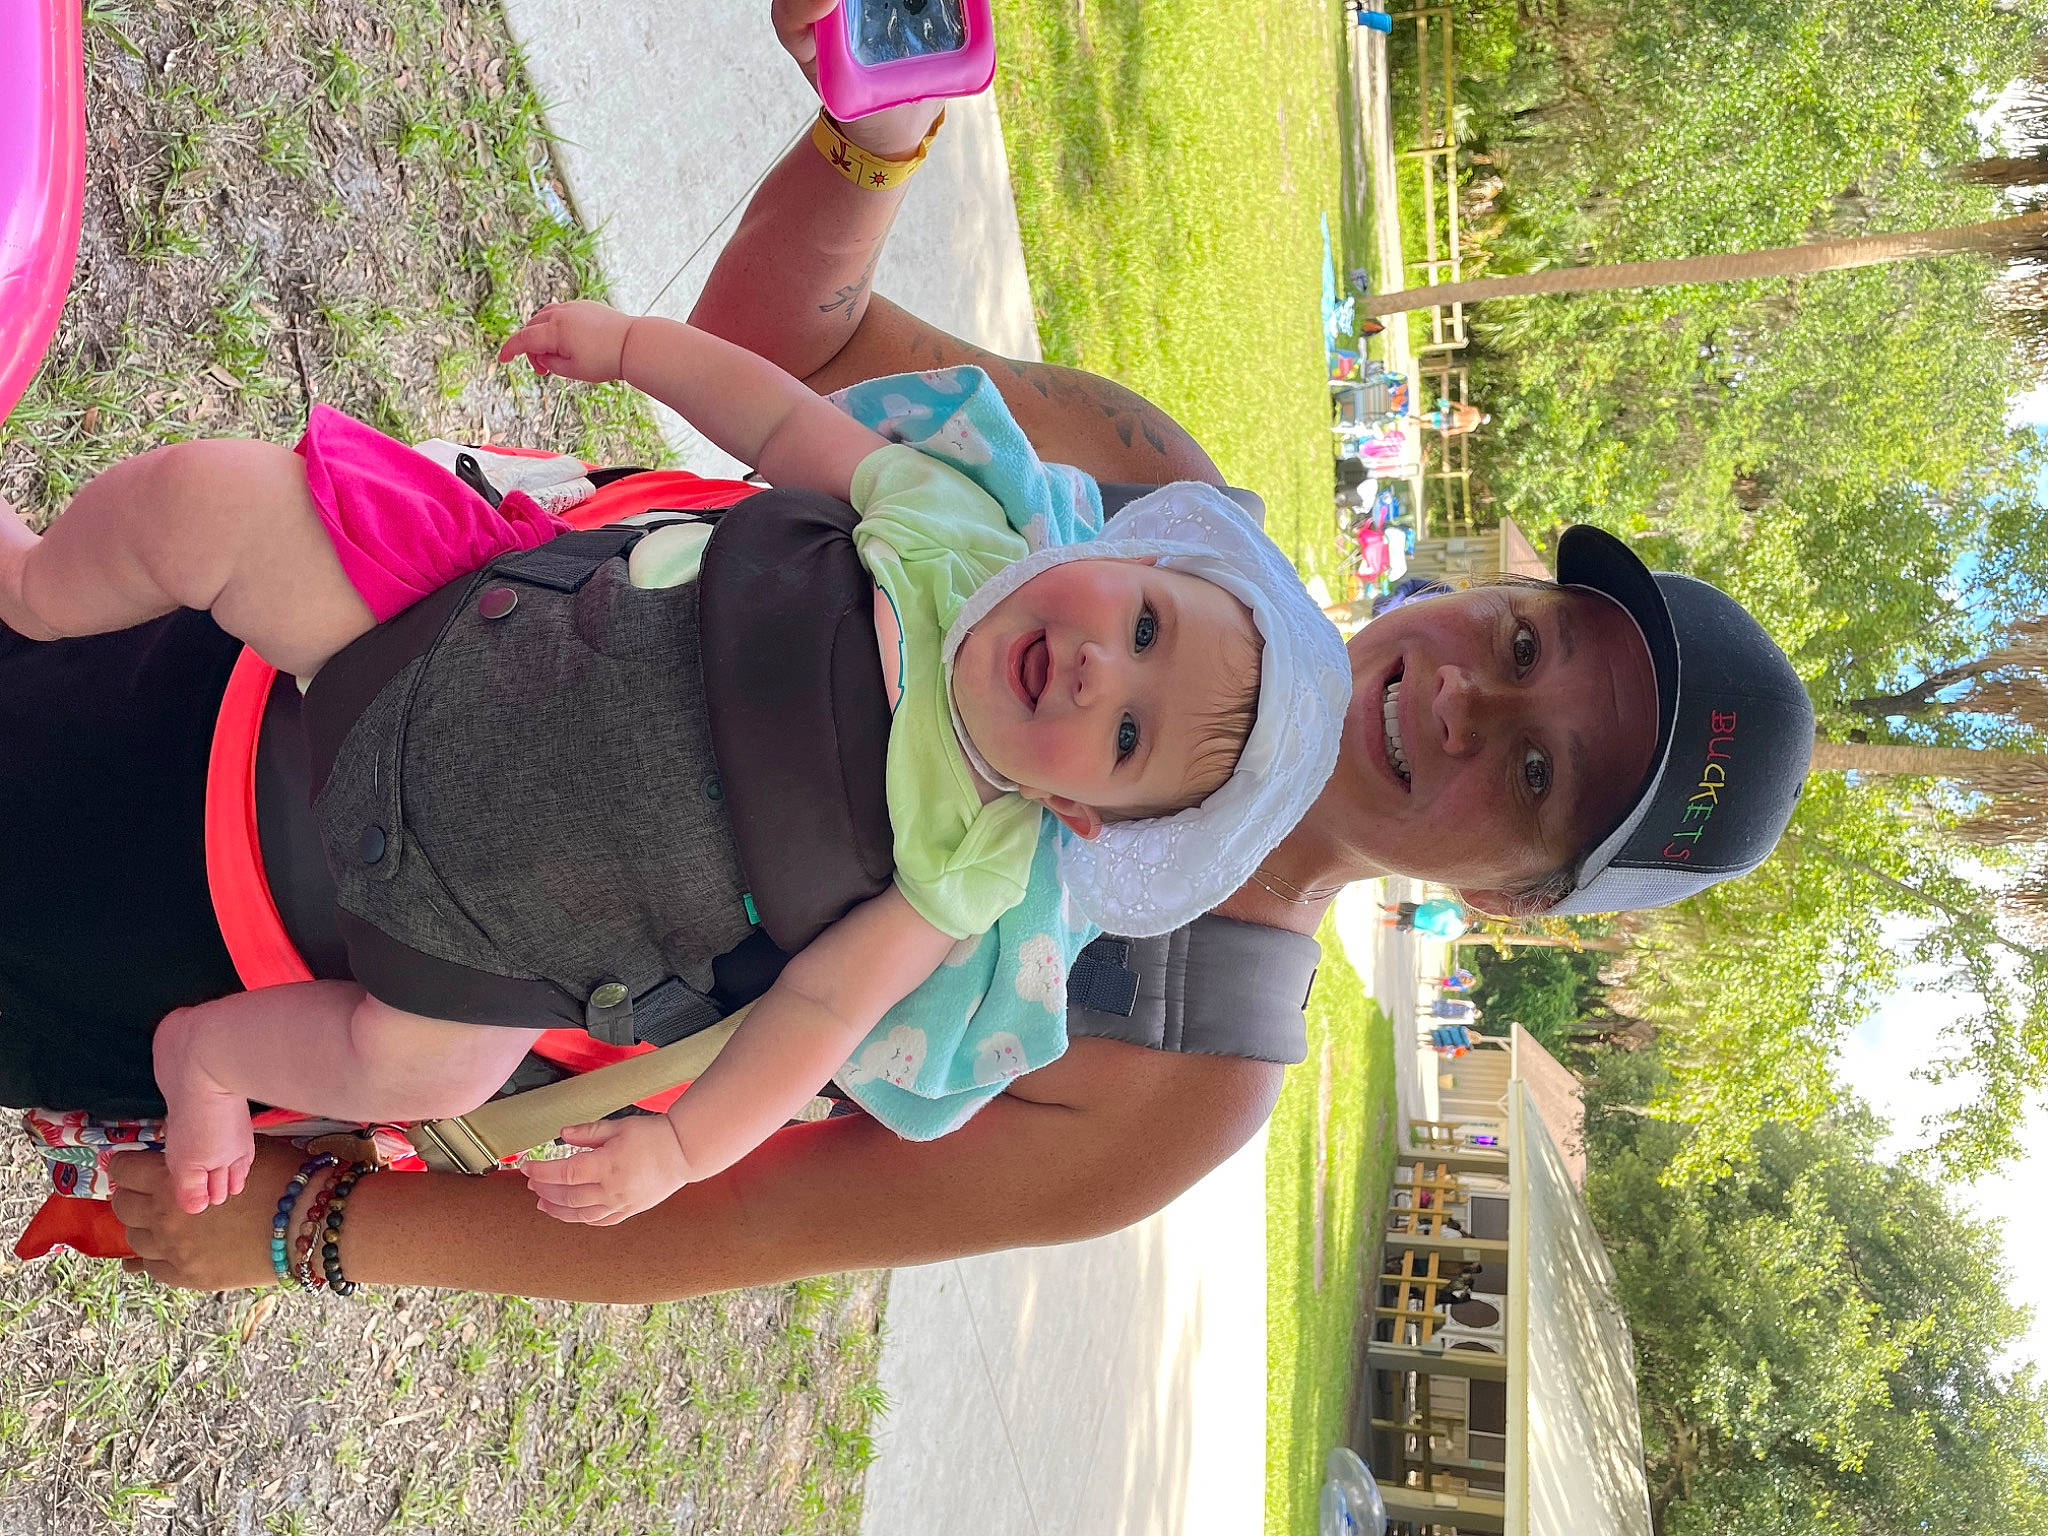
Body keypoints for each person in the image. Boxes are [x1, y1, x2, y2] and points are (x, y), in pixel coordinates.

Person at [86, 0, 1817, 1296]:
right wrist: (878, 130)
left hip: (309, 971)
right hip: (350, 641)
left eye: (1536, 770)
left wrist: (298, 1231)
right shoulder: (1144, 502)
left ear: (1511, 897)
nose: (1462, 692)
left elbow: (725, 1217)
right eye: (1524, 637)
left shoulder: (1185, 1075)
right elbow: (786, 353)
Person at [0, 293, 1345, 1224]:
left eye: (1126, 737)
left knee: (428, 1070)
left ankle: (211, 1061)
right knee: (215, 506)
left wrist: (685, 1151)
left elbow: (810, 1017)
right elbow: (777, 428)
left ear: (1084, 818)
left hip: (490, 932)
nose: (1106, 672)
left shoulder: (972, 861)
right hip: (447, 641)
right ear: (1120, 558)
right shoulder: (949, 525)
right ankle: (44, 587)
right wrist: (643, 349)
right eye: (1148, 624)